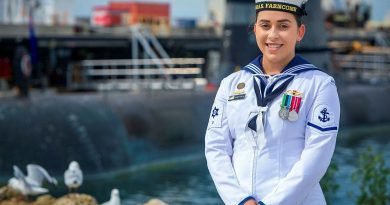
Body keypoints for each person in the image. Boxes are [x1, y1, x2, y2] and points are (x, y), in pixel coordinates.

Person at [205, 0, 340, 205]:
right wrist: (240, 200)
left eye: (284, 26)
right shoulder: (231, 84)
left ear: (300, 32)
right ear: (255, 29)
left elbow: (317, 156)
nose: (273, 35)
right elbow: (216, 148)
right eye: (265, 25)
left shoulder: (319, 85)